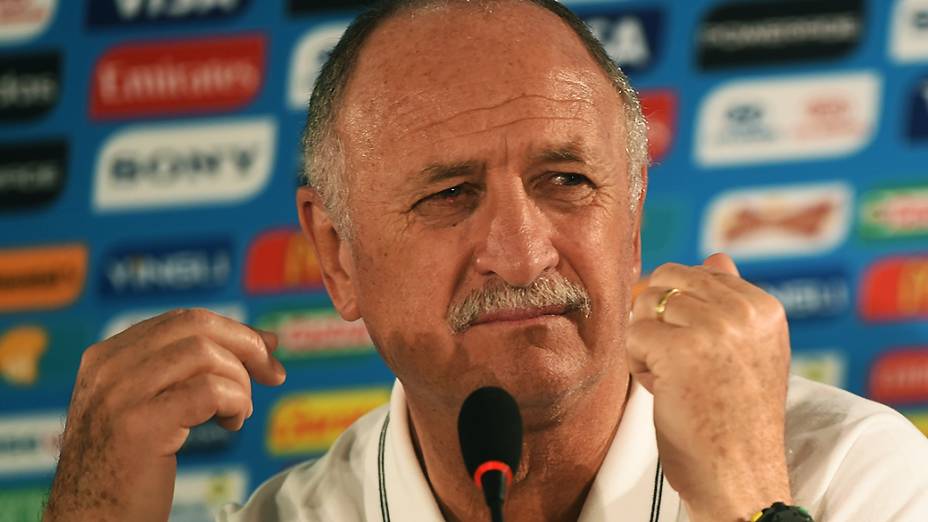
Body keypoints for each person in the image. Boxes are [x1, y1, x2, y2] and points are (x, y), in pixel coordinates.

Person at [44, 1, 928, 521]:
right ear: (337, 254)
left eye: (566, 180)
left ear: (631, 223)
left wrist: (747, 503)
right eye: (448, 195)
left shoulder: (844, 473)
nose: (521, 250)